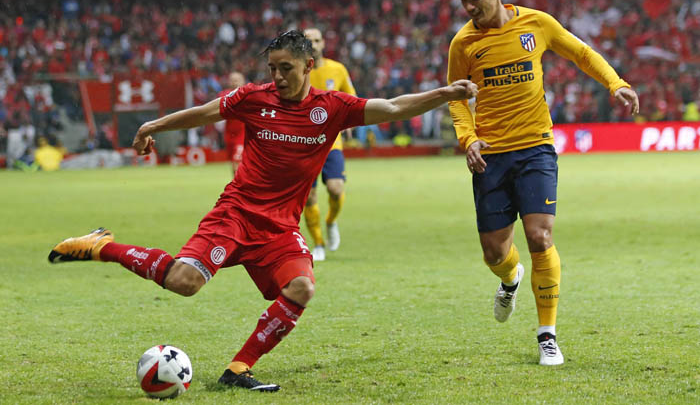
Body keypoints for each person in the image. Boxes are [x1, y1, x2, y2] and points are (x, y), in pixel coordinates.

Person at [49, 30, 477, 392]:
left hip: (279, 228)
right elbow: (205, 113)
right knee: (183, 282)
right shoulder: (254, 97)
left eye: (286, 68)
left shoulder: (332, 108)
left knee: (301, 288)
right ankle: (102, 246)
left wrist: (445, 93)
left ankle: (238, 369)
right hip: (236, 214)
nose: (277, 76)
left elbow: (394, 106)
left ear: (308, 66)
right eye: (272, 68)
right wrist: (152, 125)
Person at [447, 0, 639, 366]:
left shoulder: (536, 23)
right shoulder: (463, 43)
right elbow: (457, 99)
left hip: (536, 147)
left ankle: (546, 334)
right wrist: (468, 139)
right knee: (494, 253)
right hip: (491, 156)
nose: (468, 7)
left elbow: (581, 53)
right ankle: (511, 278)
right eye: (462, 0)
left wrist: (615, 83)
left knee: (540, 237)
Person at [301, 27, 355, 262]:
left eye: (316, 40)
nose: (313, 44)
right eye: (308, 41)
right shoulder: (296, 71)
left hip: (331, 141)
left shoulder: (337, 69)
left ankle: (331, 221)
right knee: (309, 197)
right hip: (304, 144)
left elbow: (351, 98)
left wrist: (351, 121)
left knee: (335, 188)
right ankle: (318, 244)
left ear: (323, 43)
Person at [219, 71, 247, 175]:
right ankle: (236, 182)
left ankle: (240, 184)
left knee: (237, 163)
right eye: (232, 80)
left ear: (243, 82)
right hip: (229, 135)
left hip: (242, 135)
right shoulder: (223, 95)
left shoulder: (248, 95)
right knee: (233, 164)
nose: (234, 82)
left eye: (237, 80)